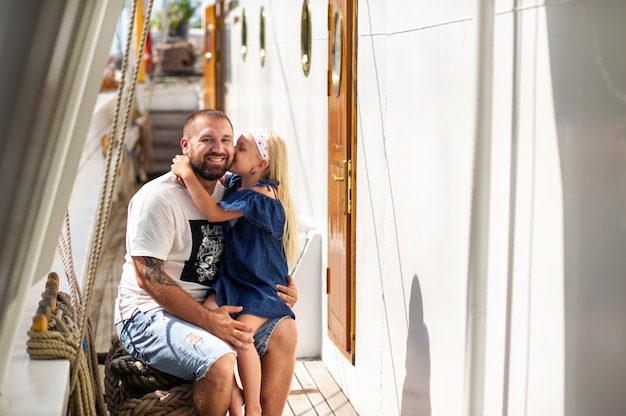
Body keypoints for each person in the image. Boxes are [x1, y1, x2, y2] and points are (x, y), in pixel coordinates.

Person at [114, 109, 298, 416]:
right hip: (149, 315)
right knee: (219, 359)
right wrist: (207, 320)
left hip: (221, 300)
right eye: (207, 140)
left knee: (285, 331)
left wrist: (282, 288)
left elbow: (262, 243)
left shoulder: (235, 190)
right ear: (185, 147)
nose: (220, 148)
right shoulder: (158, 198)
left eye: (227, 140)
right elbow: (148, 276)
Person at [171, 128, 298, 416]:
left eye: (239, 148)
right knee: (206, 327)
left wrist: (188, 176)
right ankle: (236, 393)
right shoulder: (240, 182)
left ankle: (251, 408)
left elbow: (214, 213)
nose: (232, 152)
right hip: (235, 280)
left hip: (260, 285)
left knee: (242, 338)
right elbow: (223, 175)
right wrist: (192, 163)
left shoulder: (260, 195)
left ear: (260, 165)